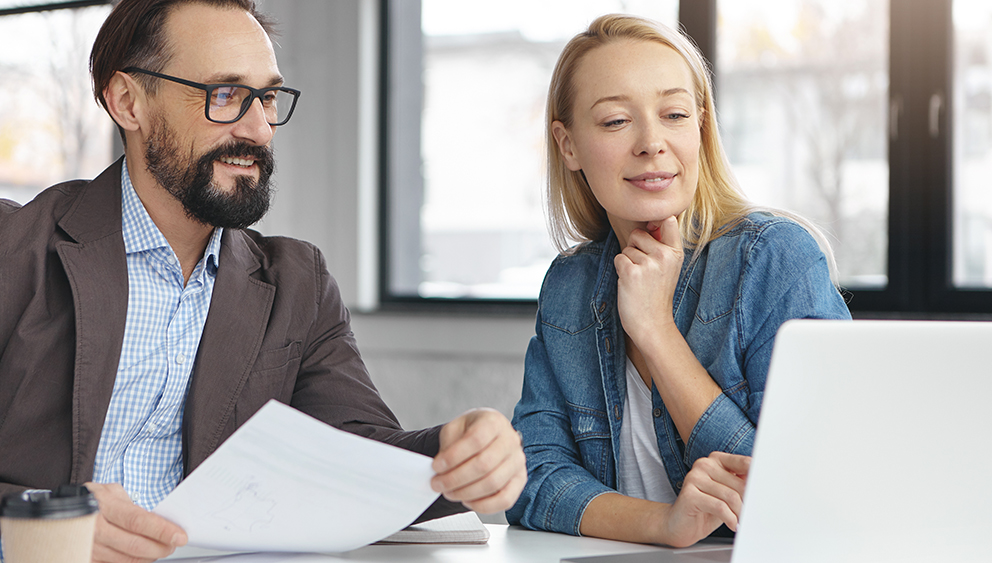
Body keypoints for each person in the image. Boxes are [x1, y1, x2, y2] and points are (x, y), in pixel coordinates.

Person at [0, 1, 525, 561]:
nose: (258, 129)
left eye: (268, 97)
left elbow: (360, 455)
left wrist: (458, 451)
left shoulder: (299, 284)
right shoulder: (15, 250)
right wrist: (42, 522)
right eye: (224, 95)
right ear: (128, 102)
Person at [505, 14, 851, 548]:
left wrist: (657, 332)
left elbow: (813, 496)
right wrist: (665, 525)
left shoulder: (773, 260)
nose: (652, 142)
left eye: (674, 113)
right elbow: (531, 479)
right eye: (617, 121)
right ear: (568, 144)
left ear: (701, 127)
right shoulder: (569, 288)